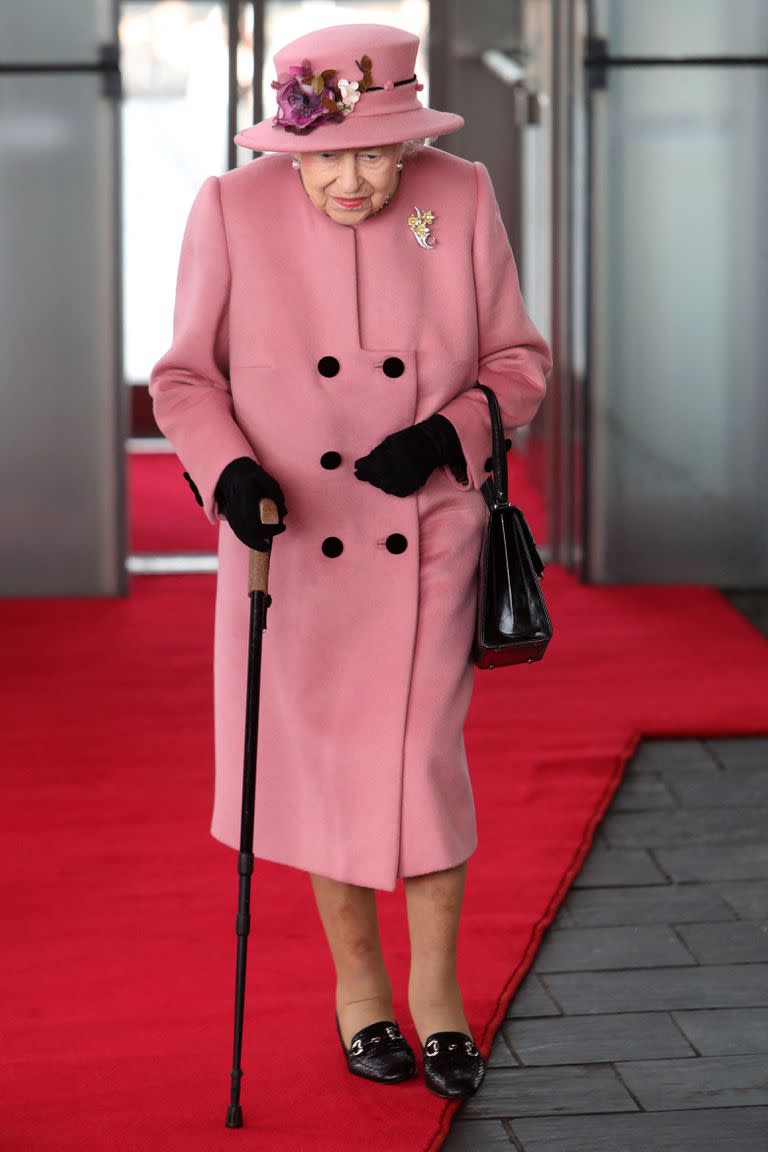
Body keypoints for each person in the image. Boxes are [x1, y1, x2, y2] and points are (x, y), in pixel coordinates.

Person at [149, 22, 552, 1098]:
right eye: (330, 156)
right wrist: (227, 471)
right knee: (326, 771)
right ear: (293, 146)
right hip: (291, 545)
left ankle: (439, 999)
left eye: (376, 152)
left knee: (419, 759)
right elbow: (184, 379)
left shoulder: (457, 194)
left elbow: (518, 361)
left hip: (424, 538)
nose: (354, 178)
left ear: (408, 138)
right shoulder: (230, 209)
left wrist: (450, 431)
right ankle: (360, 990)